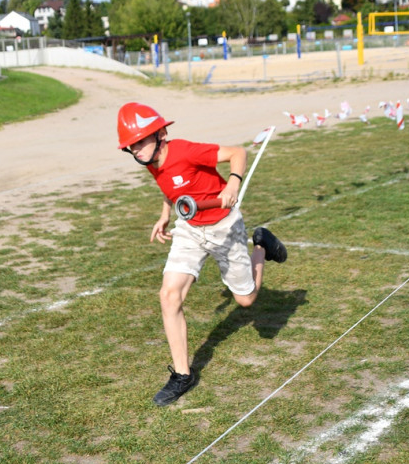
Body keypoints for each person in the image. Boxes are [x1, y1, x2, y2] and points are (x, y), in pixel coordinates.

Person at [117, 102, 287, 406]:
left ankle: (261, 245)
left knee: (246, 300)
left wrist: (233, 182)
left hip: (224, 225)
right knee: (169, 296)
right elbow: (171, 187)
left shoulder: (184, 150)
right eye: (131, 146)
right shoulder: (151, 162)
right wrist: (165, 214)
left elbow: (238, 152)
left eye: (141, 141)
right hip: (190, 229)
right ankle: (182, 375)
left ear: (161, 134)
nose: (137, 150)